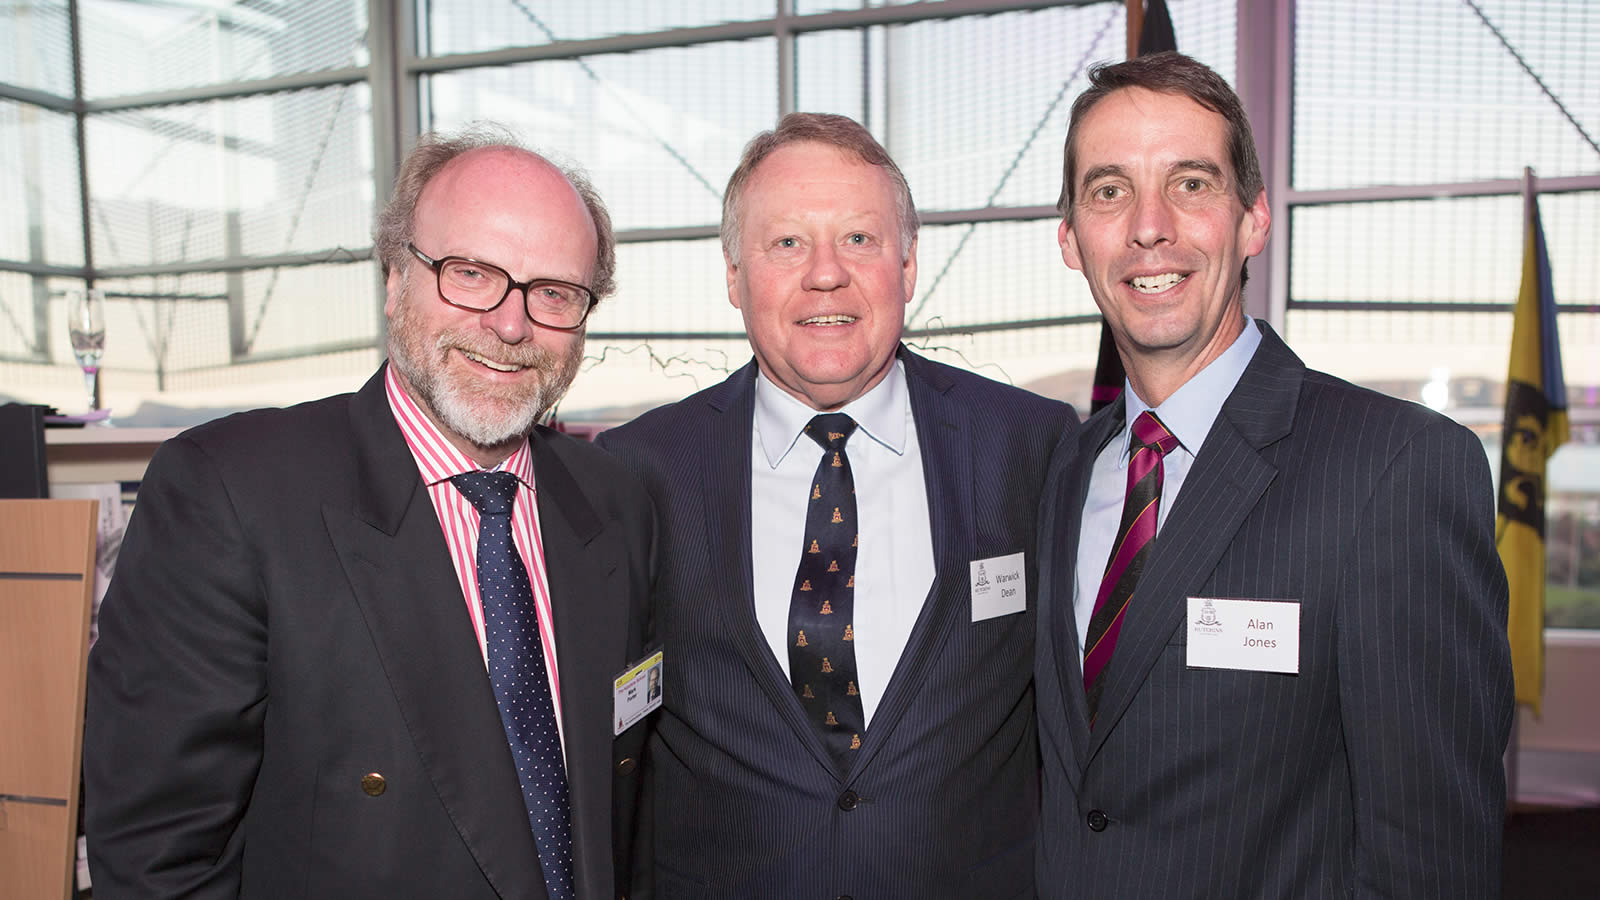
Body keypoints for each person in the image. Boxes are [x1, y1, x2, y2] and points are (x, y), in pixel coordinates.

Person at [84, 129, 654, 899]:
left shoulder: (615, 502)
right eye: (471, 273)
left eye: (553, 291)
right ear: (394, 279)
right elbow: (158, 859)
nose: (511, 324)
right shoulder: (231, 494)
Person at [1034, 52, 1513, 898]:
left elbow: (1431, 858)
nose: (1151, 226)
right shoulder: (1059, 474)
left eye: (1191, 184)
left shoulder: (1394, 470)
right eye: (1109, 190)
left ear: (1253, 219)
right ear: (1071, 238)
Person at [596, 113, 1076, 898]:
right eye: (786, 243)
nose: (826, 274)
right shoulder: (640, 471)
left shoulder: (1028, 445)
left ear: (909, 265)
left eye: (859, 239)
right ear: (733, 275)